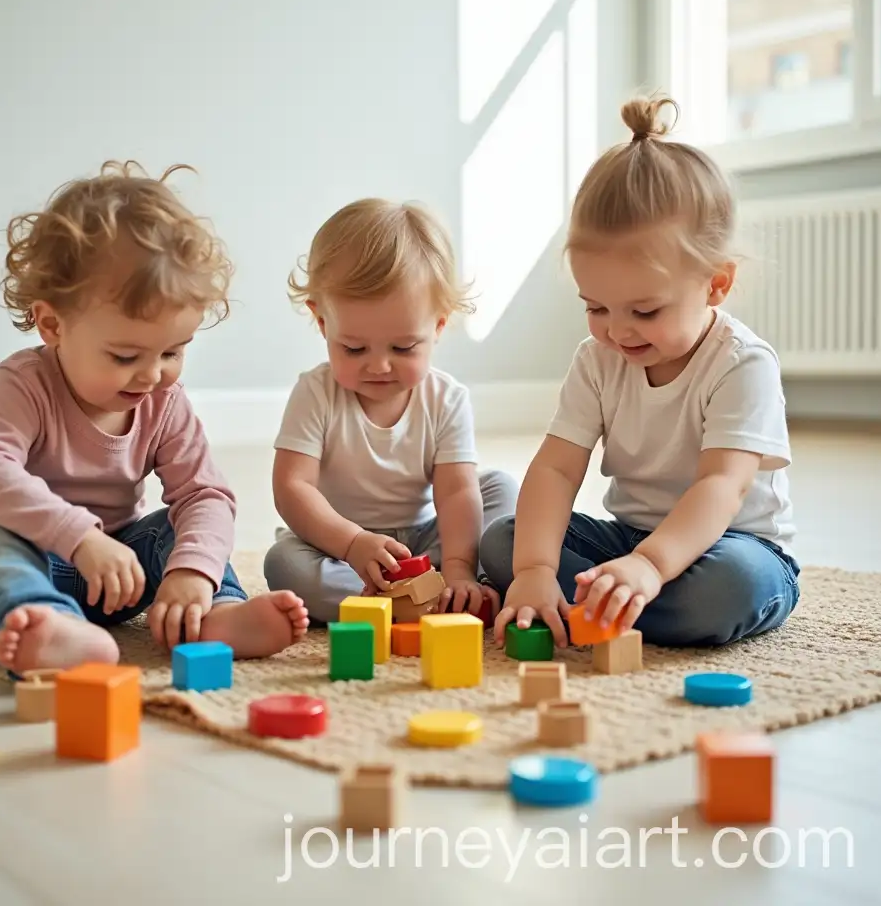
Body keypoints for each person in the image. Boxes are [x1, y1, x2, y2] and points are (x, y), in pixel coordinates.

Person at [0, 161, 308, 674]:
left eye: (174, 352)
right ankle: (42, 623)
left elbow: (205, 494)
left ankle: (212, 613)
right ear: (52, 324)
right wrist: (79, 538)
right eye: (126, 357)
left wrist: (191, 573)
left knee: (178, 532)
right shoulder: (24, 383)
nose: (152, 375)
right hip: (5, 570)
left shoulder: (164, 402)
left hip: (115, 571)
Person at [481, 96, 799, 649]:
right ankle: (601, 599)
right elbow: (556, 470)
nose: (618, 331)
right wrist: (533, 569)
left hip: (731, 545)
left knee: (729, 588)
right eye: (596, 307)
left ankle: (607, 604)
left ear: (716, 284)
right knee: (504, 541)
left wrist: (651, 566)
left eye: (645, 311)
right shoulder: (596, 360)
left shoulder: (742, 363)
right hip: (627, 539)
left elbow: (721, 485)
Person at [264, 197, 519, 623]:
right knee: (284, 564)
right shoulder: (315, 393)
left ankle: (454, 588)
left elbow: (455, 491)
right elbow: (293, 488)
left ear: (437, 325)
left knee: (498, 489)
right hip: (343, 547)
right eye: (354, 348)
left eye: (403, 347)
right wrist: (352, 542)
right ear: (323, 322)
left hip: (427, 540)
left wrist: (457, 567)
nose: (379, 365)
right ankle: (411, 602)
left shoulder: (446, 398)